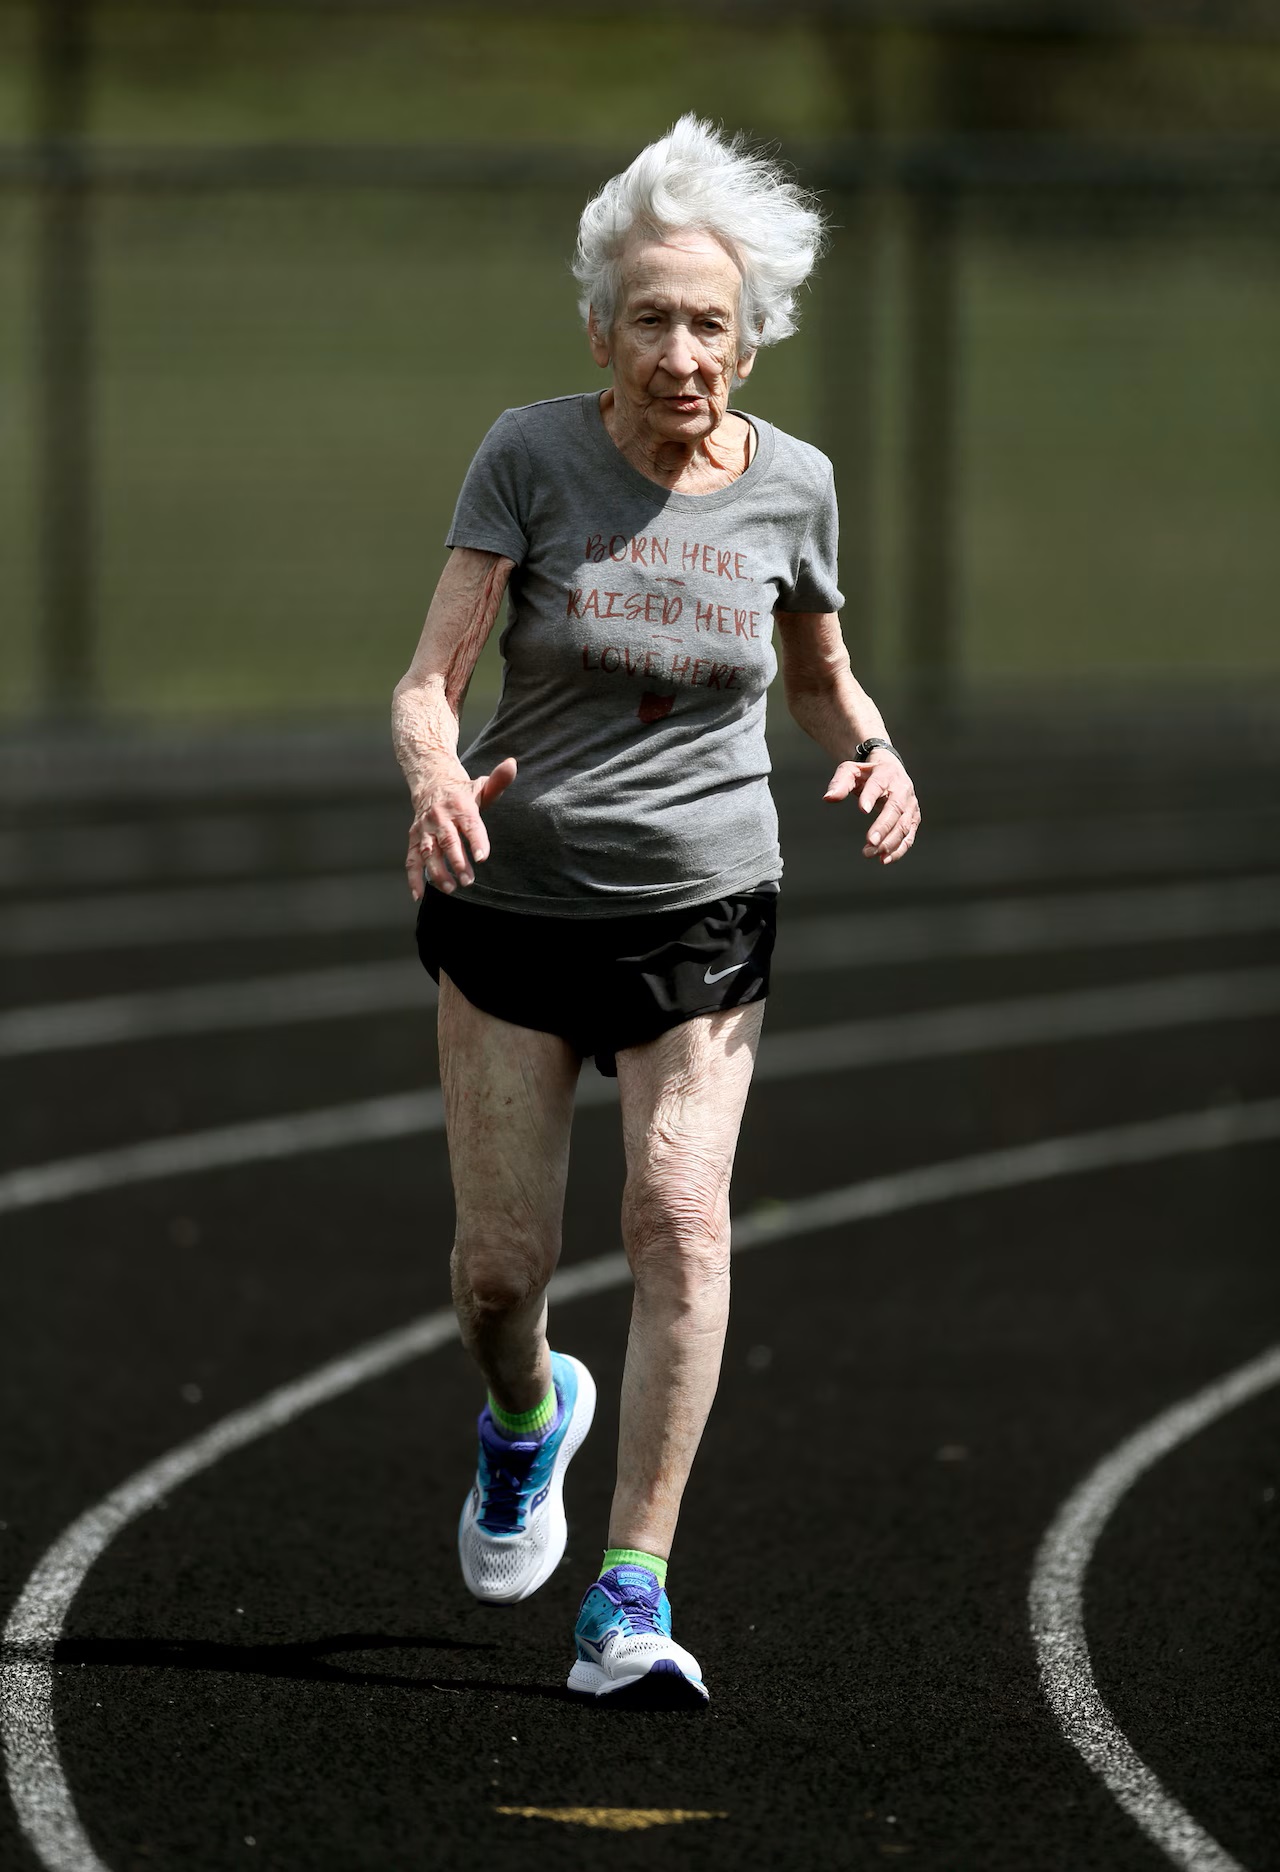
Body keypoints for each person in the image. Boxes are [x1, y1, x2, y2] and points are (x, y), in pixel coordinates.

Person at [392, 115, 920, 1707]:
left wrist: (875, 749)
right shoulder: (530, 456)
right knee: (501, 1275)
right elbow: (429, 680)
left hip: (704, 910)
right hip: (516, 903)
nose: (681, 353)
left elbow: (821, 680)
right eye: (651, 320)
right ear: (600, 333)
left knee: (681, 1218)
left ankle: (632, 1588)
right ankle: (524, 1418)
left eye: (709, 324)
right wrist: (433, 775)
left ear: (751, 342)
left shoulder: (796, 488)